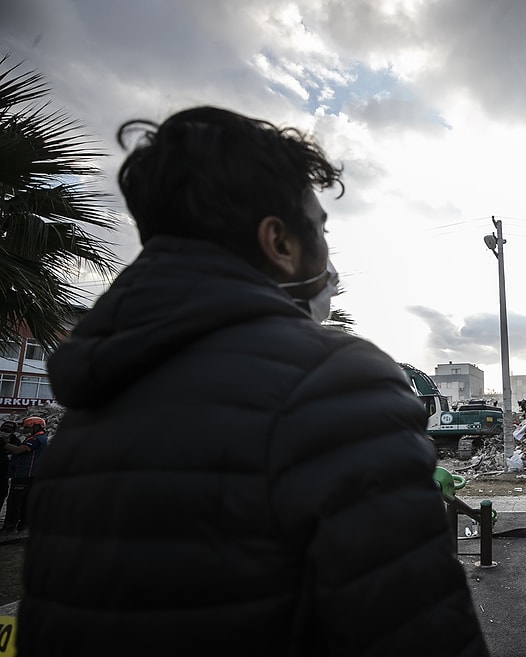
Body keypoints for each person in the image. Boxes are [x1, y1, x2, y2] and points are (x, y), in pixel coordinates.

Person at [17, 107, 489, 656]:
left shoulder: (90, 400)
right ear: (279, 242)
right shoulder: (333, 381)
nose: (329, 262)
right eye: (320, 230)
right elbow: (418, 630)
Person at [2, 416, 48, 532]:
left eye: (27, 428)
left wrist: (3, 444)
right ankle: (23, 526)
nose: (25, 430)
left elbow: (19, 450)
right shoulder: (37, 438)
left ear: (36, 426)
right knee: (25, 503)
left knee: (14, 503)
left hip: (24, 475)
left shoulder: (36, 439)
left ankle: (9, 528)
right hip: (30, 475)